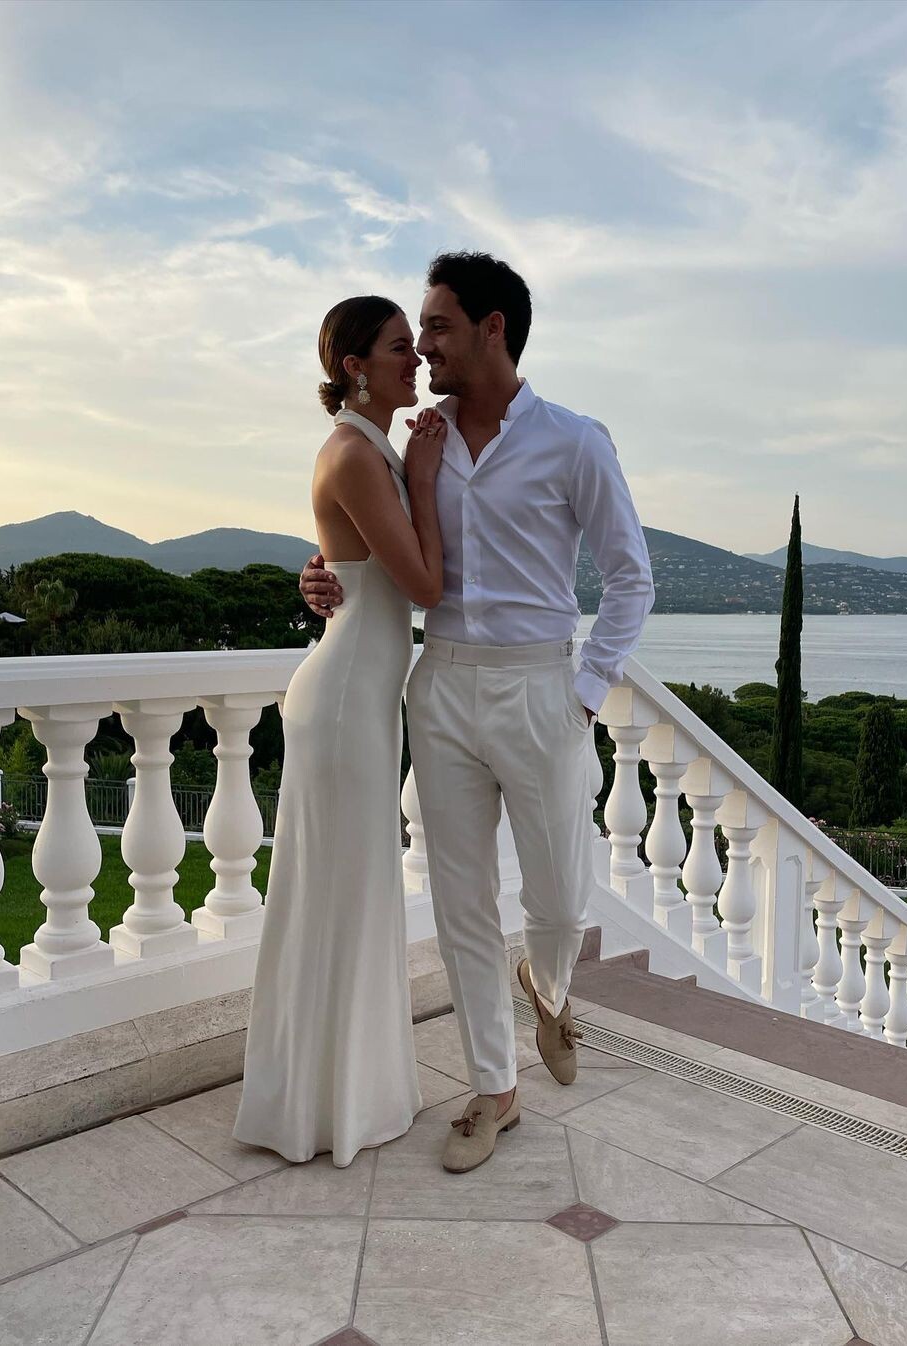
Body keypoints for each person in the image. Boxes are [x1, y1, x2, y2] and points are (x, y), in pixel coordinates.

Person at [300, 252, 655, 1174]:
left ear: (493, 329)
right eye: (415, 331)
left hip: (542, 688)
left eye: (438, 327)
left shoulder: (575, 441)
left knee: (559, 900)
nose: (423, 346)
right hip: (443, 685)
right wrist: (323, 578)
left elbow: (630, 577)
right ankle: (494, 1091)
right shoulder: (419, 441)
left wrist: (586, 691)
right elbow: (360, 536)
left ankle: (548, 983)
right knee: (461, 902)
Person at [233, 295, 446, 1167]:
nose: (416, 359)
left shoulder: (369, 448)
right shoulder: (360, 455)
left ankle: (339, 1096)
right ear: (357, 366)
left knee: (350, 892)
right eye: (400, 347)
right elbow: (425, 586)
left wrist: (323, 576)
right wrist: (424, 478)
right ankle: (321, 1104)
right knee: (340, 893)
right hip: (348, 698)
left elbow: (359, 570)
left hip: (359, 694)